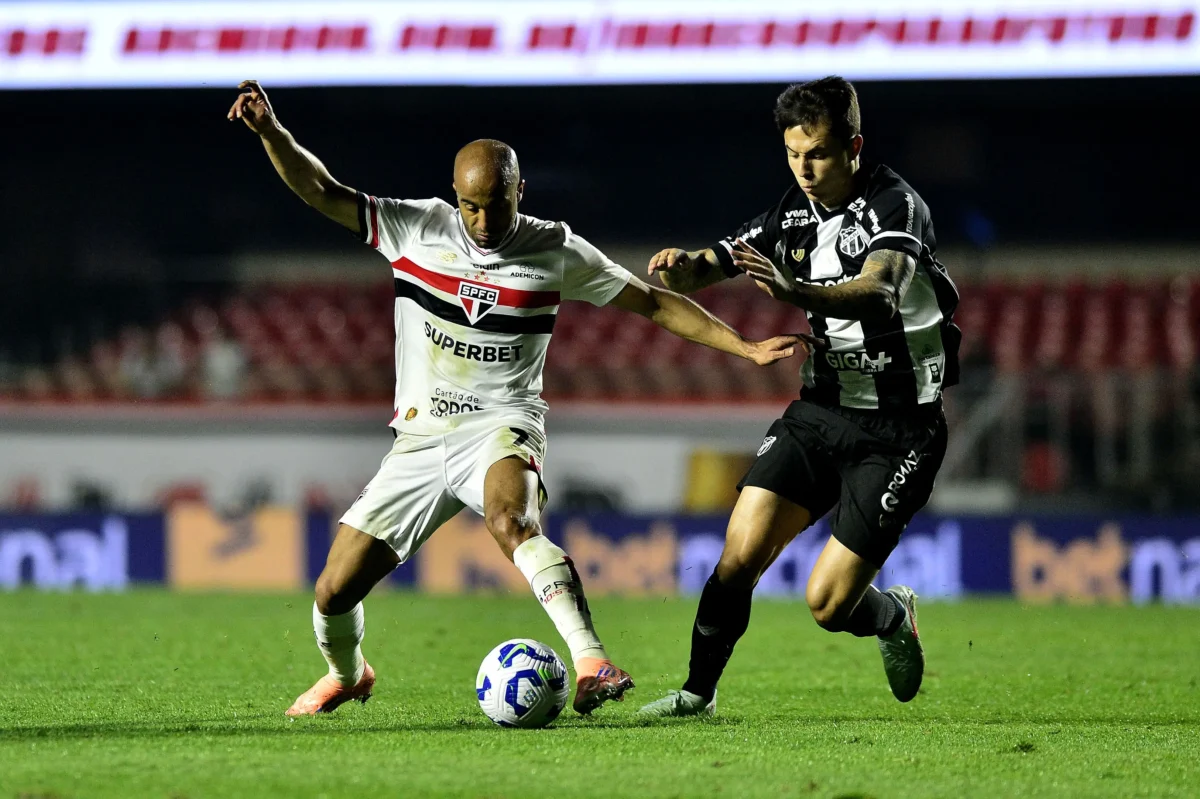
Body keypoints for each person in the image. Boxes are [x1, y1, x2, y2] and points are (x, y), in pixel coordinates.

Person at [227, 80, 807, 717]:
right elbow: (323, 192)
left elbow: (653, 303)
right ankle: (349, 673)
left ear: (519, 192)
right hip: (418, 441)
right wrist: (270, 133)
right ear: (456, 196)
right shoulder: (413, 227)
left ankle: (591, 660)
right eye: (472, 207)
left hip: (501, 426)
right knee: (333, 591)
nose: (483, 222)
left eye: (496, 205)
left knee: (514, 523)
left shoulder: (553, 248)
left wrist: (744, 347)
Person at [638, 76, 961, 718]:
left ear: (854, 148)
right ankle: (695, 693)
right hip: (820, 412)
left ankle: (892, 615)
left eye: (816, 154)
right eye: (793, 153)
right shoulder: (788, 214)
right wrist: (684, 266)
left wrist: (795, 295)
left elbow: (881, 291)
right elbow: (723, 258)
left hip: (901, 431)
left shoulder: (897, 206)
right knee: (740, 553)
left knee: (827, 605)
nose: (804, 169)